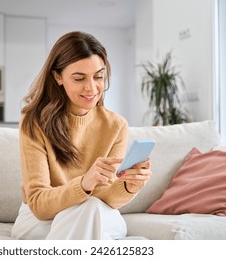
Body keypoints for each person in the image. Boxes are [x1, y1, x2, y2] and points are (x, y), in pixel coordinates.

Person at [11, 31, 152, 240]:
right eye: (79, 78)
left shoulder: (116, 125)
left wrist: (128, 186)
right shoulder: (34, 121)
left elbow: (105, 198)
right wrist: (85, 183)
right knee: (90, 213)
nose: (92, 88)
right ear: (57, 77)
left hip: (94, 210)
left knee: (92, 209)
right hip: (42, 219)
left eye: (98, 76)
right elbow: (39, 204)